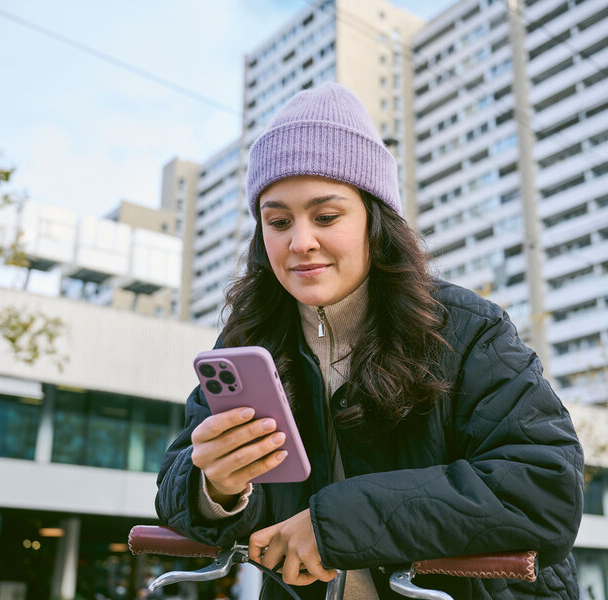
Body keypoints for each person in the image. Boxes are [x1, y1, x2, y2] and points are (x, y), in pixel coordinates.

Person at [155, 83, 584, 600]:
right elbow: (174, 489)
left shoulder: (468, 328)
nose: (300, 242)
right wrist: (216, 489)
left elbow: (544, 488)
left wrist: (333, 525)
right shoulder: (247, 344)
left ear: (374, 220)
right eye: (278, 221)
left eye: (327, 216)